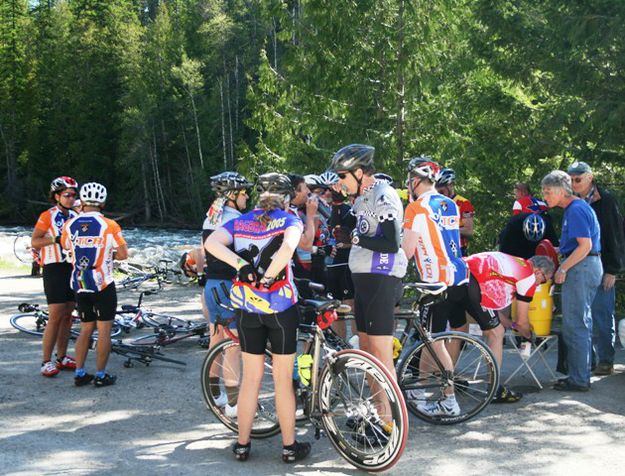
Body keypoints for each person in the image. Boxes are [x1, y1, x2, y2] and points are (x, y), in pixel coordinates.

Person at [204, 172, 310, 464]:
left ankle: (242, 445)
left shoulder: (241, 220)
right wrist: (269, 276)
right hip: (280, 308)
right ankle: (289, 447)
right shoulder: (290, 219)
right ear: (286, 197)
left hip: (247, 308)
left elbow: (212, 243)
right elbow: (289, 247)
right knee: (281, 382)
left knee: (251, 379)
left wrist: (239, 265)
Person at [329, 144, 408, 378]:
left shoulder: (382, 194)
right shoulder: (362, 198)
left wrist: (354, 237)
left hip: (381, 277)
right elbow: (345, 228)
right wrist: (336, 202)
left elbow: (391, 242)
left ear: (359, 172)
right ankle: (376, 411)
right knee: (367, 354)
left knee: (381, 356)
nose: (340, 180)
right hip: (363, 281)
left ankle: (388, 415)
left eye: (343, 176)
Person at [401, 156, 468, 415]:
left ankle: (449, 400)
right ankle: (418, 389)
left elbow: (407, 251)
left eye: (409, 179)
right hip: (458, 277)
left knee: (434, 341)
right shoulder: (449, 203)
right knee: (431, 336)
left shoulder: (417, 208)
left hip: (435, 282)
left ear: (416, 180)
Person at [61, 182, 128, 387]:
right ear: (103, 202)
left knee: (85, 329)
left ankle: (80, 373)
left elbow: (66, 247)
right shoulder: (110, 225)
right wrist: (110, 254)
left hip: (80, 283)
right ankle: (100, 375)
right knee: (104, 330)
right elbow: (123, 254)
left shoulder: (70, 224)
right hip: (103, 284)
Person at [541, 170, 602, 391]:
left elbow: (585, 246)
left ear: (559, 190)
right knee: (580, 321)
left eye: (547, 192)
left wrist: (563, 267)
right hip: (587, 266)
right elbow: (580, 244)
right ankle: (581, 372)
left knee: (575, 324)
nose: (545, 196)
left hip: (581, 268)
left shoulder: (575, 209)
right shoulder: (576, 208)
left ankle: (578, 379)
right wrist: (559, 249)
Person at [567, 161, 625, 376]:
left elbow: (615, 235)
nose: (574, 184)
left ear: (590, 177)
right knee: (583, 316)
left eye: (578, 179)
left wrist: (613, 269)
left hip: (602, 264)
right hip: (579, 263)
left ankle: (606, 360)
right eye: (571, 180)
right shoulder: (572, 201)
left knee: (602, 313)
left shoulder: (606, 200)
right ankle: (587, 360)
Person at [202, 171, 251, 414]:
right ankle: (233, 403)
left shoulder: (211, 216)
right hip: (227, 286)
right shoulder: (235, 219)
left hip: (211, 285)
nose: (247, 196)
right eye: (244, 193)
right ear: (232, 195)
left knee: (216, 339)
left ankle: (215, 396)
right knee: (234, 345)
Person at [31, 176, 79, 377]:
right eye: (67, 195)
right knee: (56, 315)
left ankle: (61, 356)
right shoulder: (47, 215)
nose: (70, 198)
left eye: (73, 195)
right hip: (54, 267)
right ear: (57, 196)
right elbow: (35, 241)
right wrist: (57, 239)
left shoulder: (75, 215)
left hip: (72, 267)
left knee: (68, 314)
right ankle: (46, 361)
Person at [286, 174, 318, 282]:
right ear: (295, 192)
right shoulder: (287, 213)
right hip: (289, 271)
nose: (308, 192)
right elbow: (306, 244)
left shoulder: (292, 210)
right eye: (305, 188)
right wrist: (310, 215)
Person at [435, 168, 474, 256]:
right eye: (437, 190)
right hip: (438, 249)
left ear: (451, 185)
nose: (439, 193)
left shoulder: (464, 203)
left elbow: (469, 230)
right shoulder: (435, 203)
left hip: (458, 249)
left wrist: (447, 229)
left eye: (442, 191)